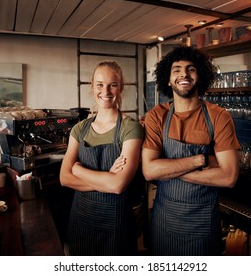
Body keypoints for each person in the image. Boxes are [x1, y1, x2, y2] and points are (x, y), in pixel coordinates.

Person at [142, 45, 240, 256]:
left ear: (200, 76)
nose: (183, 74)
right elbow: (149, 171)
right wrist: (202, 159)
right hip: (163, 222)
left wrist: (169, 169)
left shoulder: (219, 117)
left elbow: (229, 177)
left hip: (203, 224)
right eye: (176, 69)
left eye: (191, 69)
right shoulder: (156, 116)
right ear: (168, 79)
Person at [59, 60, 144, 256]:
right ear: (92, 87)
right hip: (81, 221)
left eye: (112, 84)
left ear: (121, 88)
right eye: (100, 84)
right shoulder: (80, 129)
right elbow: (64, 178)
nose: (105, 91)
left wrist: (78, 170)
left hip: (116, 225)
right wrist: (106, 178)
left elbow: (118, 185)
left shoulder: (130, 128)